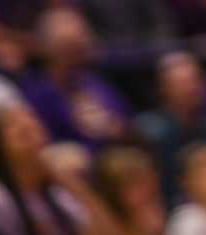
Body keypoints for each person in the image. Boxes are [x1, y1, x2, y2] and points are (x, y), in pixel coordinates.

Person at [0, 102, 114, 235]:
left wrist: (70, 182)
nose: (25, 124)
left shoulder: (58, 197)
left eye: (30, 117)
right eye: (11, 123)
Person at [17, 11, 129, 148]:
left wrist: (115, 128)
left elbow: (126, 124)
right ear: (47, 49)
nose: (76, 57)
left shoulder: (97, 84)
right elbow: (44, 143)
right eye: (67, 48)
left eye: (80, 47)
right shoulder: (37, 95)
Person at [130, 56, 206, 201]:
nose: (192, 88)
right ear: (164, 89)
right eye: (183, 83)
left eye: (196, 81)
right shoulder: (147, 130)